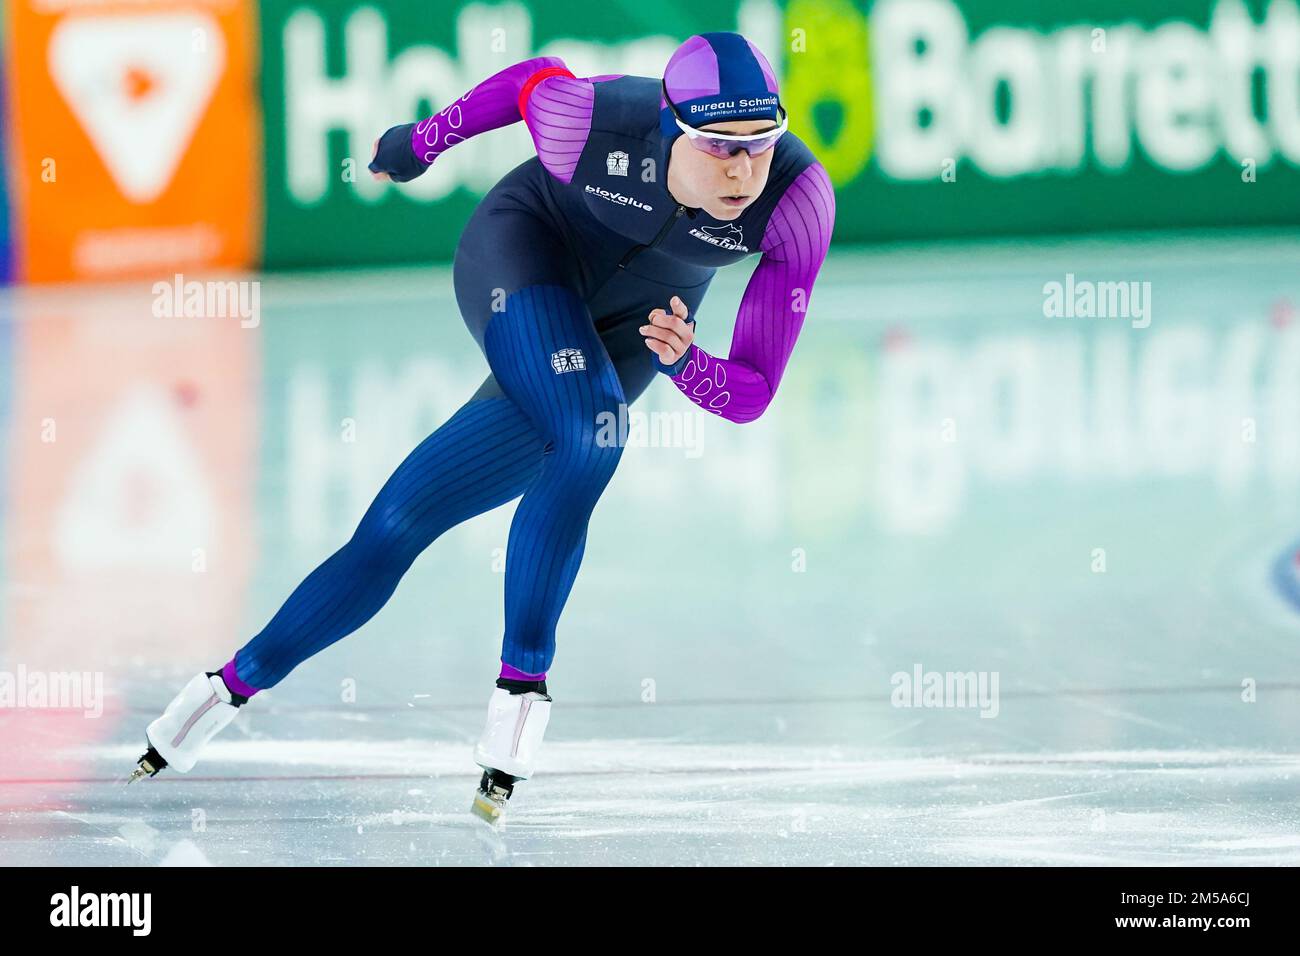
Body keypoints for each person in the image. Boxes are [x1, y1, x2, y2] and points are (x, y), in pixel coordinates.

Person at [130, 32, 836, 822]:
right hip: (523, 255)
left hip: (640, 326)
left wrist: (689, 364)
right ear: (672, 129)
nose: (744, 170)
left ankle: (220, 691)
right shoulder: (598, 125)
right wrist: (419, 143)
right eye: (718, 145)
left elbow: (751, 392)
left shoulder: (798, 200)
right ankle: (522, 686)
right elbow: (533, 79)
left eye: (760, 143)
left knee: (403, 520)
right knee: (594, 428)